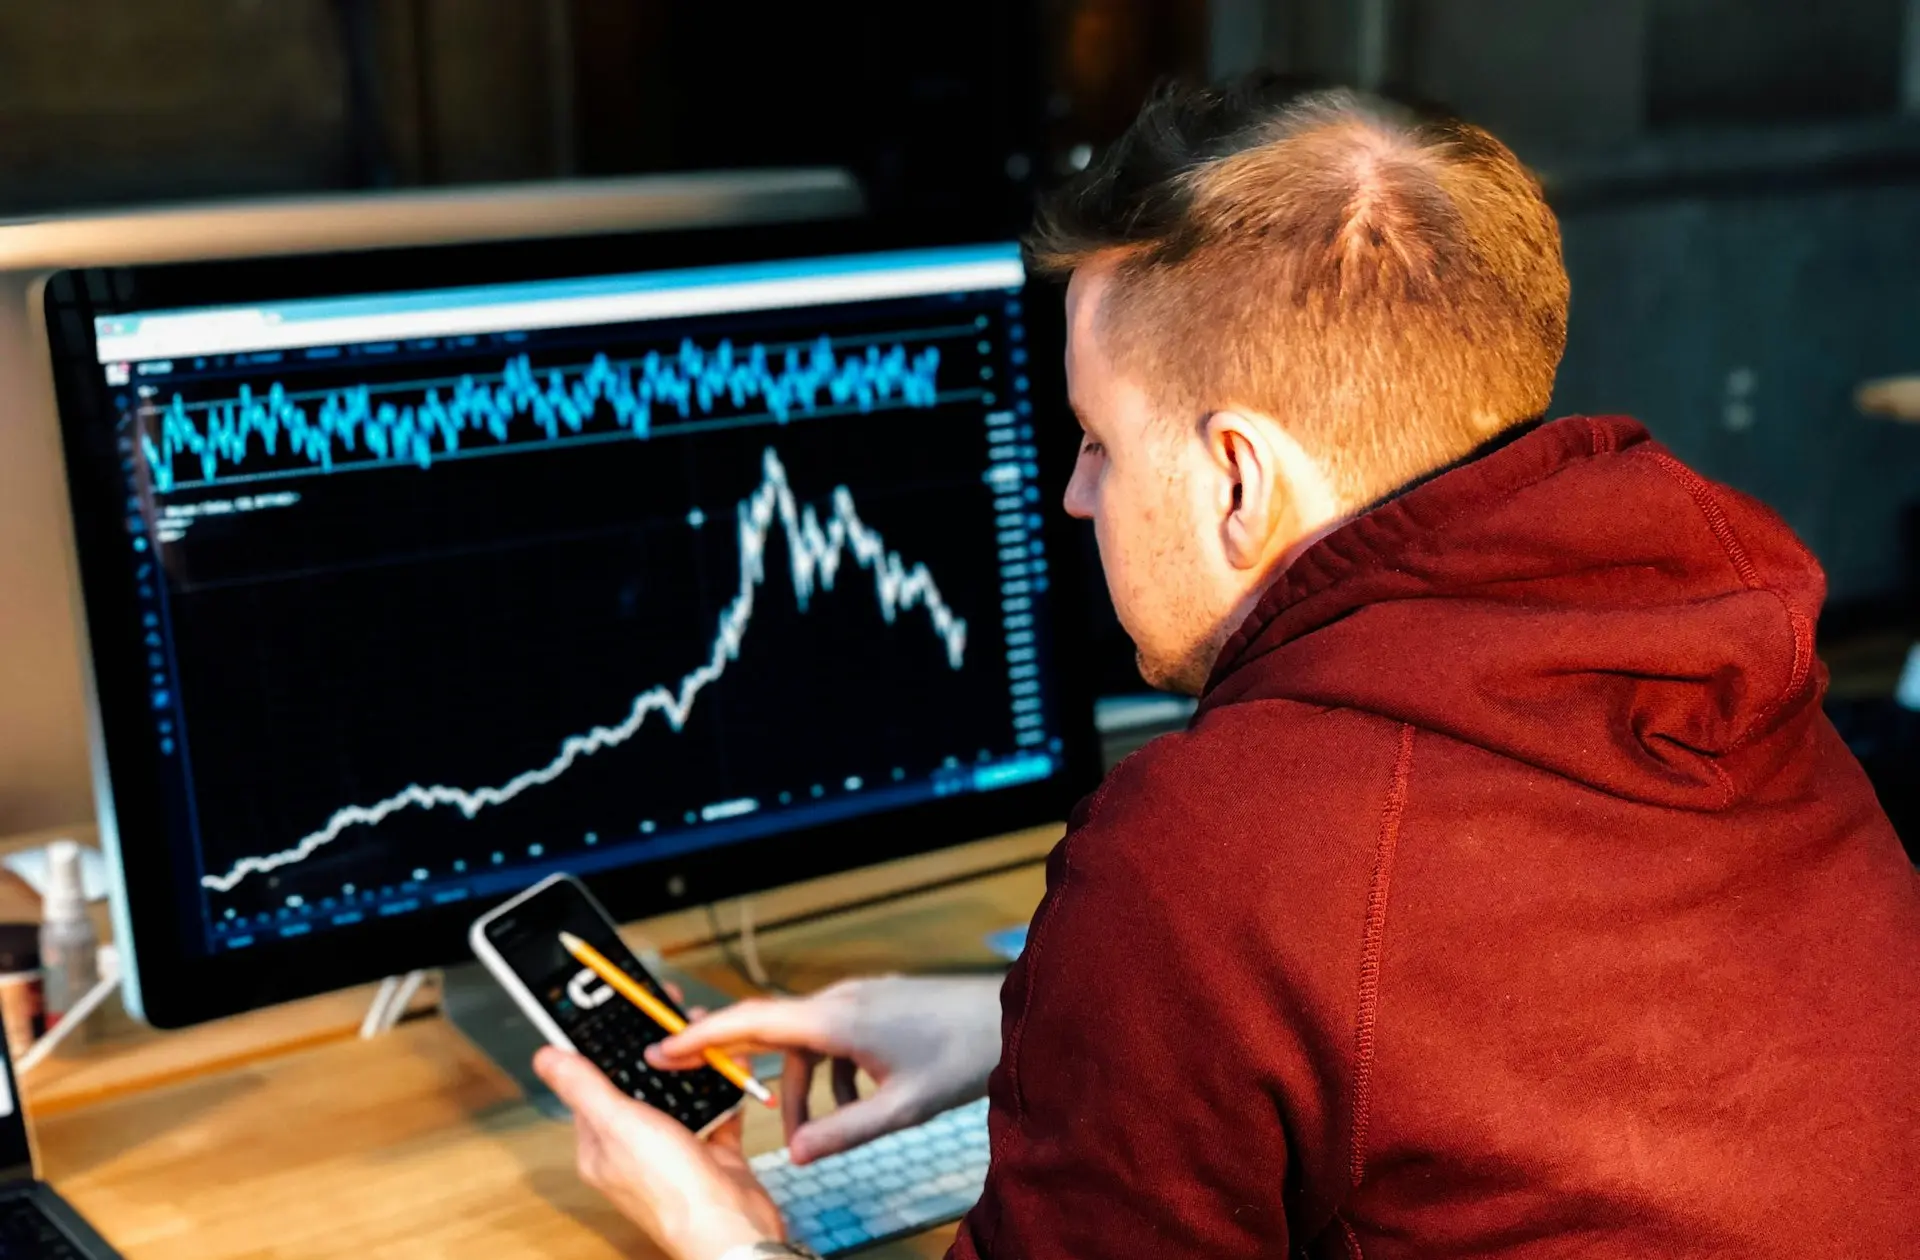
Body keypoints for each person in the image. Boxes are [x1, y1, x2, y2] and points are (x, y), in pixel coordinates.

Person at [533, 76, 1920, 1259]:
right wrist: (1036, 1025)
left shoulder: (1213, 852)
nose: (1076, 497)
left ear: (1237, 477)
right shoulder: (1726, 671)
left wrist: (729, 1234)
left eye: (1099, 443)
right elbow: (1485, 1038)